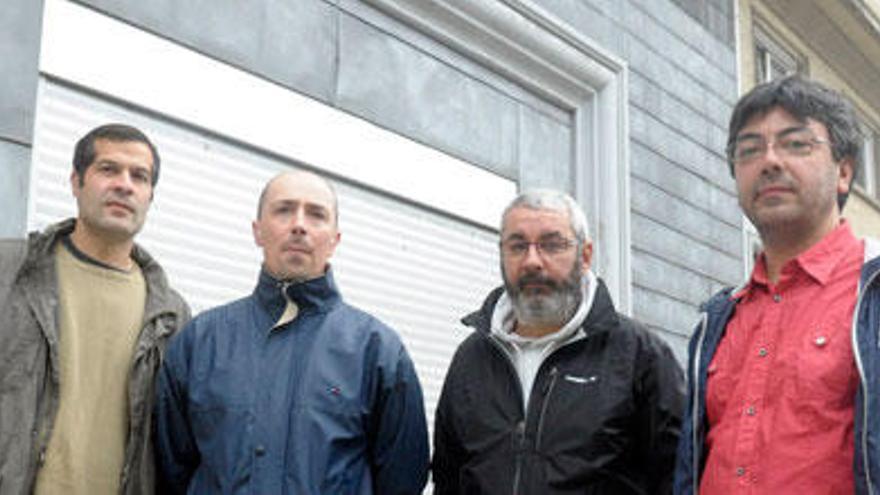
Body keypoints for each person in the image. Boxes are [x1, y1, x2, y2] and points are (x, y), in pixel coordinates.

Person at [155, 170, 430, 494]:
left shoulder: (377, 351)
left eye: (316, 215)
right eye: (284, 210)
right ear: (257, 231)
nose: (299, 225)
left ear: (335, 239)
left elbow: (402, 480)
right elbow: (170, 469)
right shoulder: (200, 342)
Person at [673, 75, 878, 493]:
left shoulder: (872, 295)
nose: (769, 161)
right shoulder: (716, 320)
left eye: (795, 144)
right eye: (748, 150)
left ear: (843, 172)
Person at [432, 189, 684, 494]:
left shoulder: (638, 356)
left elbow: (677, 478)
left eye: (552, 245)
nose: (532, 261)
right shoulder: (473, 358)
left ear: (585, 256)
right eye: (517, 246)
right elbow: (448, 476)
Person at [0, 123, 190, 494]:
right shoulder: (9, 270)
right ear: (76, 181)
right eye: (108, 169)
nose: (124, 184)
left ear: (150, 196)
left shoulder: (172, 316)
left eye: (140, 176)